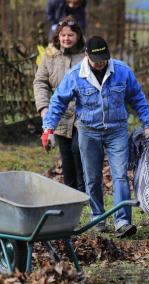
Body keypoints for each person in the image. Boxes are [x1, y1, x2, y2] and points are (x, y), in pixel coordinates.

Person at [41, 36, 149, 238]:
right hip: (88, 131)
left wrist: (148, 124)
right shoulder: (75, 75)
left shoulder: (121, 71)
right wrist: (48, 128)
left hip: (116, 130)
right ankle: (98, 217)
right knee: (92, 177)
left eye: (104, 58)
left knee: (120, 175)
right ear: (86, 55)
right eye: (96, 59)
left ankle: (123, 222)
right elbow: (58, 101)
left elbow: (137, 97)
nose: (101, 62)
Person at [34, 15, 86, 193]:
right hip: (59, 115)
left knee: (79, 151)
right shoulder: (50, 54)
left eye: (71, 34)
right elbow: (40, 82)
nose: (66, 38)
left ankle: (85, 193)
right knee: (66, 157)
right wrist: (44, 110)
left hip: (83, 115)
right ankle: (71, 194)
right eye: (63, 35)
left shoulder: (86, 54)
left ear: (78, 35)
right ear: (58, 36)